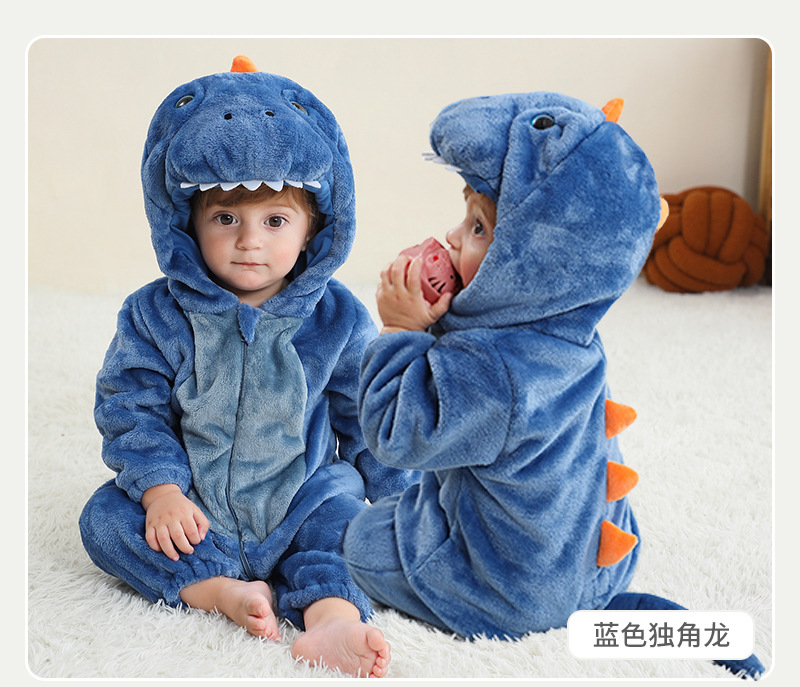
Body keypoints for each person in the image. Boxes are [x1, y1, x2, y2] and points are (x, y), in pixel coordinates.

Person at [78, 56, 418, 679]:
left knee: (349, 525)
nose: (249, 240)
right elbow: (130, 406)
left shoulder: (337, 317)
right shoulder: (156, 314)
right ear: (188, 223)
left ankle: (332, 618)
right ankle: (219, 591)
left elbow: (366, 417)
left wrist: (399, 500)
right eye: (226, 219)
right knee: (104, 519)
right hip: (194, 506)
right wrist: (161, 492)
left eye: (275, 221)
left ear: (313, 230)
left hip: (302, 499)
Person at [343, 92, 669, 640]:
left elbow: (395, 434)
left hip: (509, 593)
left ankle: (496, 596)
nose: (451, 237)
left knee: (360, 537)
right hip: (596, 570)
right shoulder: (568, 335)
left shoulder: (492, 370)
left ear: (535, 264)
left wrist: (400, 330)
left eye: (478, 228)